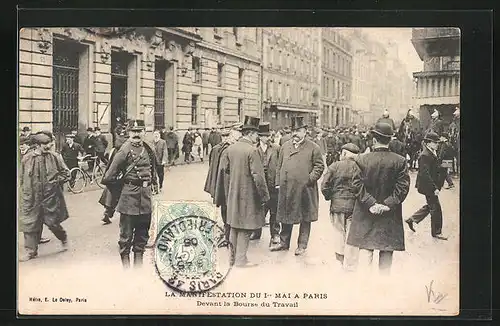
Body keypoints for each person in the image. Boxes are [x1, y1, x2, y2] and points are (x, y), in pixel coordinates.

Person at [346, 122, 410, 275]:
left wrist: (371, 203)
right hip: (389, 215)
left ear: (374, 141)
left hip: (365, 212)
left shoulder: (362, 159)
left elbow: (356, 185)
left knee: (365, 249)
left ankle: (364, 288)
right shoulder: (400, 161)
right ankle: (383, 287)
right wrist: (387, 205)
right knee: (386, 250)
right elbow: (402, 188)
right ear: (390, 140)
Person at [101, 119, 158, 268]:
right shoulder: (124, 150)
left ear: (144, 132)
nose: (136, 134)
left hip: (145, 199)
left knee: (142, 237)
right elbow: (108, 177)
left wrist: (154, 184)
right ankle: (126, 271)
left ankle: (138, 270)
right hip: (128, 200)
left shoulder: (149, 148)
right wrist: (121, 192)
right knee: (125, 237)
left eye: (139, 131)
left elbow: (153, 169)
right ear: (129, 133)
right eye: (134, 132)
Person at [271, 117, 325, 256]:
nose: (295, 134)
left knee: (305, 218)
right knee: (285, 216)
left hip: (305, 190)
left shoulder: (313, 147)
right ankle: (284, 243)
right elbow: (279, 166)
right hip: (287, 188)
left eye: (298, 131)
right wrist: (278, 182)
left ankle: (302, 245)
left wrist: (309, 179)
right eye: (293, 131)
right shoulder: (285, 146)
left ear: (305, 132)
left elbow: (319, 166)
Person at [223, 116, 270, 267]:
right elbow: (258, 176)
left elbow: (225, 169)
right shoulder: (252, 151)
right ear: (250, 134)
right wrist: (264, 196)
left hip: (233, 192)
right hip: (248, 194)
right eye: (256, 134)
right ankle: (241, 260)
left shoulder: (230, 148)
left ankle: (232, 259)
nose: (258, 137)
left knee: (234, 225)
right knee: (245, 226)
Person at [19, 133, 71, 262]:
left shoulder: (55, 157)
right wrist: (24, 193)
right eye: (45, 144)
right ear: (37, 145)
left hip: (50, 197)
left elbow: (66, 174)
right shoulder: (27, 158)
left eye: (49, 143)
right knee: (30, 224)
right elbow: (21, 178)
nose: (49, 146)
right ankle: (30, 251)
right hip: (32, 198)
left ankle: (63, 237)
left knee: (52, 222)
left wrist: (55, 182)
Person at [321, 143, 361, 271]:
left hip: (337, 206)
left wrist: (330, 197)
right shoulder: (361, 168)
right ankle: (350, 265)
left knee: (339, 232)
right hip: (355, 206)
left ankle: (340, 260)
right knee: (352, 234)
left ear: (343, 154)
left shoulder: (334, 166)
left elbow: (324, 186)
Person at [405, 131, 448, 240]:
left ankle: (412, 219)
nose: (437, 144)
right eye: (435, 142)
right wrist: (434, 188)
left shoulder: (431, 152)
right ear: (428, 143)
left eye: (437, 142)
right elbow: (425, 174)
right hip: (428, 186)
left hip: (430, 185)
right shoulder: (424, 155)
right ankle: (437, 232)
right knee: (436, 208)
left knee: (431, 206)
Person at [204, 123, 242, 243]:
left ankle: (228, 233)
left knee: (225, 209)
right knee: (230, 209)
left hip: (221, 185)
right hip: (228, 185)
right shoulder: (228, 149)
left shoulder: (218, 149)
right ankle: (229, 234)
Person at [250, 122, 280, 245]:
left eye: (269, 136)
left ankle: (275, 234)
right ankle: (256, 232)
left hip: (273, 185)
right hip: (259, 185)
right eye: (265, 136)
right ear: (259, 136)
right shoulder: (253, 149)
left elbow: (279, 166)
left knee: (274, 211)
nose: (268, 138)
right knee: (258, 209)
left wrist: (278, 182)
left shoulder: (276, 148)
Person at [98, 130, 128, 225]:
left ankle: (107, 213)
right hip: (123, 176)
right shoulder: (127, 148)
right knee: (123, 196)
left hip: (113, 177)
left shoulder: (114, 149)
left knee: (110, 194)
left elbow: (110, 163)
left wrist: (108, 176)